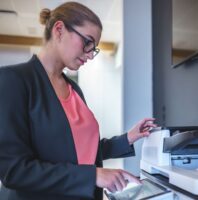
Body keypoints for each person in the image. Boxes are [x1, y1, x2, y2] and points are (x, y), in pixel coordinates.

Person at [0, 2, 156, 200]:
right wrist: (93, 176)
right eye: (87, 42)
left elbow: (81, 150)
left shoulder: (75, 90)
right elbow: (14, 170)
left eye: (94, 49)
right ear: (59, 30)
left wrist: (128, 138)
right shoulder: (13, 80)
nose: (90, 54)